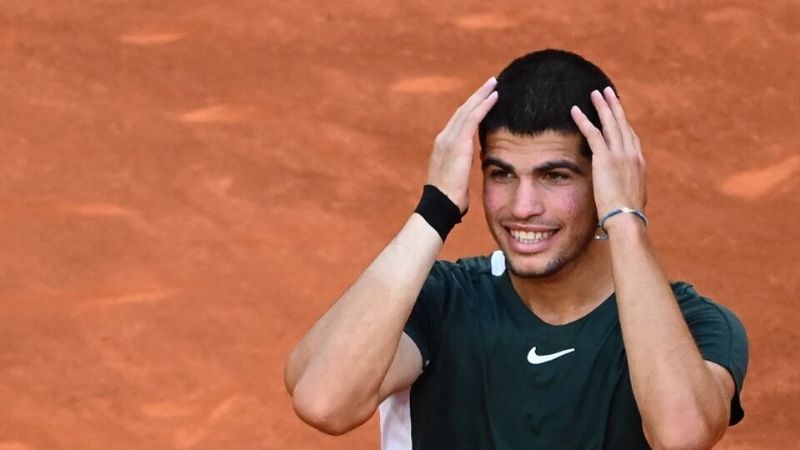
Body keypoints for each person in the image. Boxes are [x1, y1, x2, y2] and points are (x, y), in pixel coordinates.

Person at [284, 49, 748, 449]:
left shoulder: (693, 326)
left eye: (555, 176)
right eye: (501, 174)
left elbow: (681, 435)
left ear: (606, 177)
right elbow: (324, 401)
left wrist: (625, 216)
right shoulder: (443, 302)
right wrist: (434, 209)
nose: (522, 207)